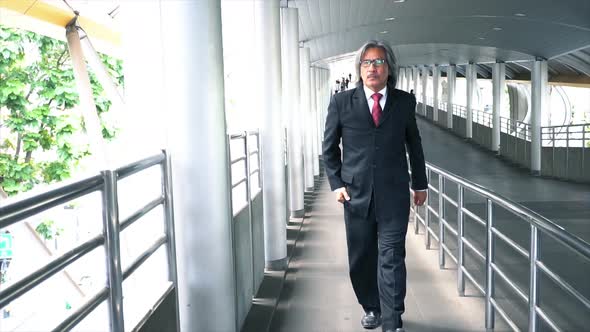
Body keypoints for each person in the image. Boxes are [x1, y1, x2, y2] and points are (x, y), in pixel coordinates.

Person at [323, 40, 428, 332]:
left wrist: (420, 183)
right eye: (367, 62)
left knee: (392, 255)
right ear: (359, 68)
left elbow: (414, 145)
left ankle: (393, 320)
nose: (373, 67)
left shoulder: (404, 102)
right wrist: (336, 184)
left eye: (379, 62)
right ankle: (371, 306)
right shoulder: (342, 102)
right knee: (361, 257)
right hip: (355, 195)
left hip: (394, 193)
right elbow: (329, 148)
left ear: (389, 68)